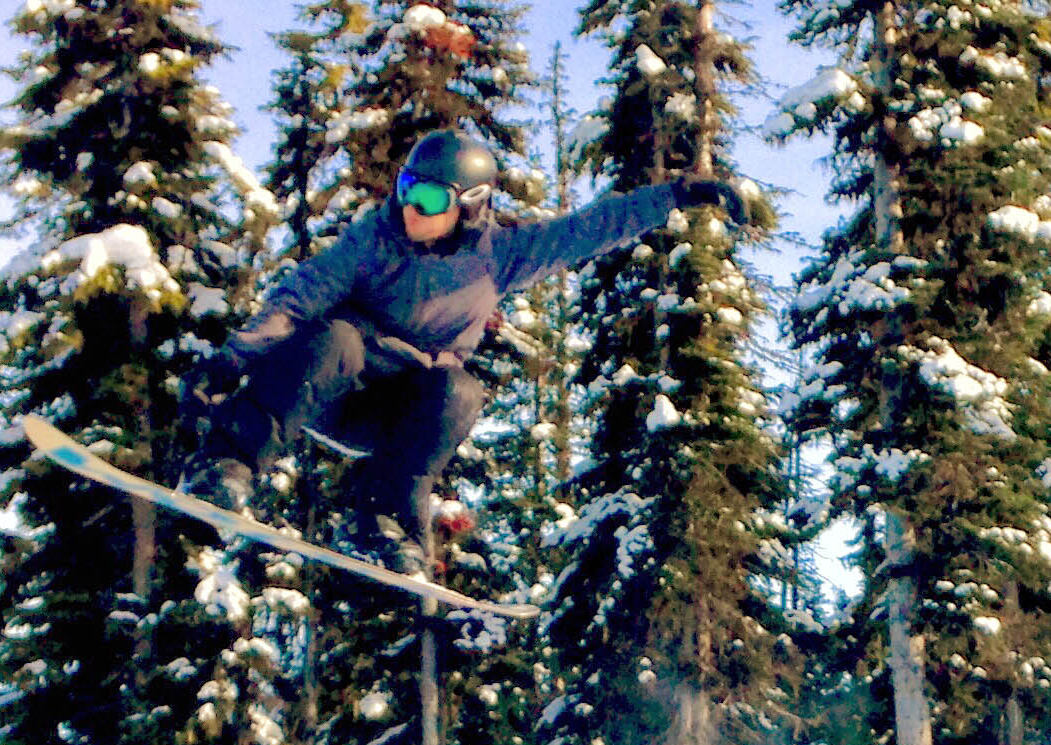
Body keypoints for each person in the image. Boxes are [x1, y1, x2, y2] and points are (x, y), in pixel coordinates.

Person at [182, 130, 741, 562]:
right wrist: (234, 357)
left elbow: (588, 229)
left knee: (460, 389)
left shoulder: (499, 256)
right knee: (337, 337)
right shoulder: (373, 241)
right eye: (406, 189)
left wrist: (675, 195)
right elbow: (302, 296)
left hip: (396, 417)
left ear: (470, 204)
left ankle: (390, 525)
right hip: (327, 389)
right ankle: (228, 465)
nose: (409, 209)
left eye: (427, 197)